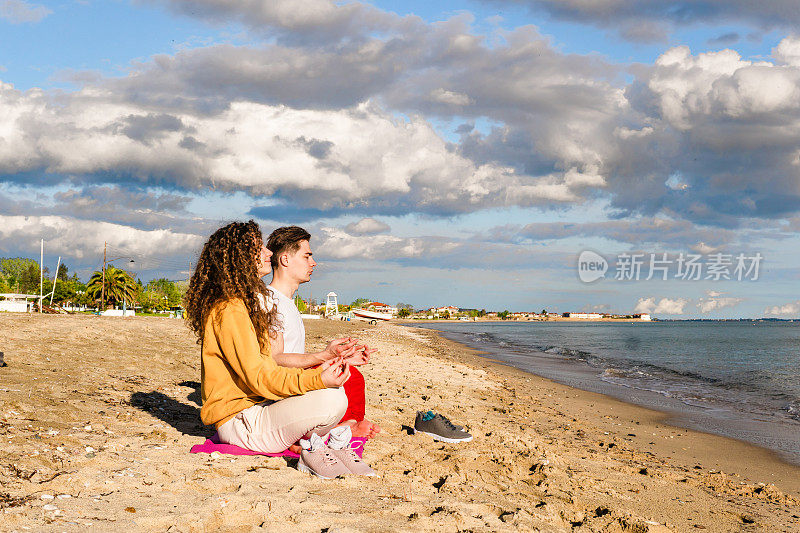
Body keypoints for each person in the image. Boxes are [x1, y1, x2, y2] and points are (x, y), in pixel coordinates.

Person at [183, 220, 363, 476]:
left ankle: (314, 444)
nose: (268, 252)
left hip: (259, 408)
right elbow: (260, 376)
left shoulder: (245, 306)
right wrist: (317, 378)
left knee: (336, 394)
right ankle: (311, 446)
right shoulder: (229, 309)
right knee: (331, 399)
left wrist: (325, 367)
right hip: (239, 420)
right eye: (259, 248)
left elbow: (269, 365)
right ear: (240, 257)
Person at [266, 226, 381, 439]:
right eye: (307, 256)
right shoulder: (270, 301)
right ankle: (341, 429)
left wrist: (338, 358)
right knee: (349, 378)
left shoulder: (287, 302)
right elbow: (274, 358)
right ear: (285, 260)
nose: (313, 263)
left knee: (349, 374)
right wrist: (324, 357)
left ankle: (346, 425)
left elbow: (290, 353)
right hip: (280, 388)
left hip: (293, 380)